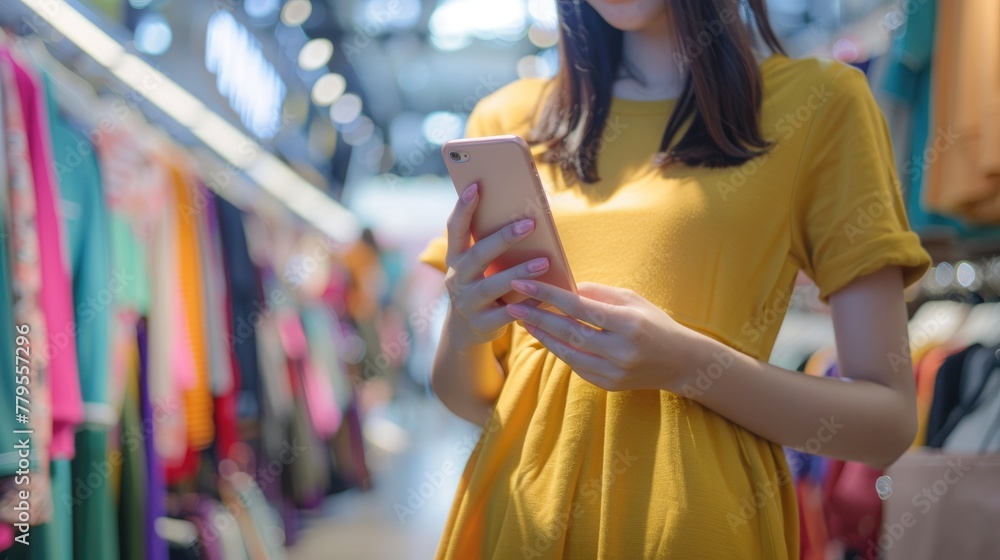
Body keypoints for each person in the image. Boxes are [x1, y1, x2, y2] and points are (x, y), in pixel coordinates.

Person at [418, 1, 931, 558]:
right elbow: (471, 401)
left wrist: (690, 366)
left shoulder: (818, 104)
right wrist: (467, 327)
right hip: (515, 518)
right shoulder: (506, 121)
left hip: (697, 523)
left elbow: (888, 422)